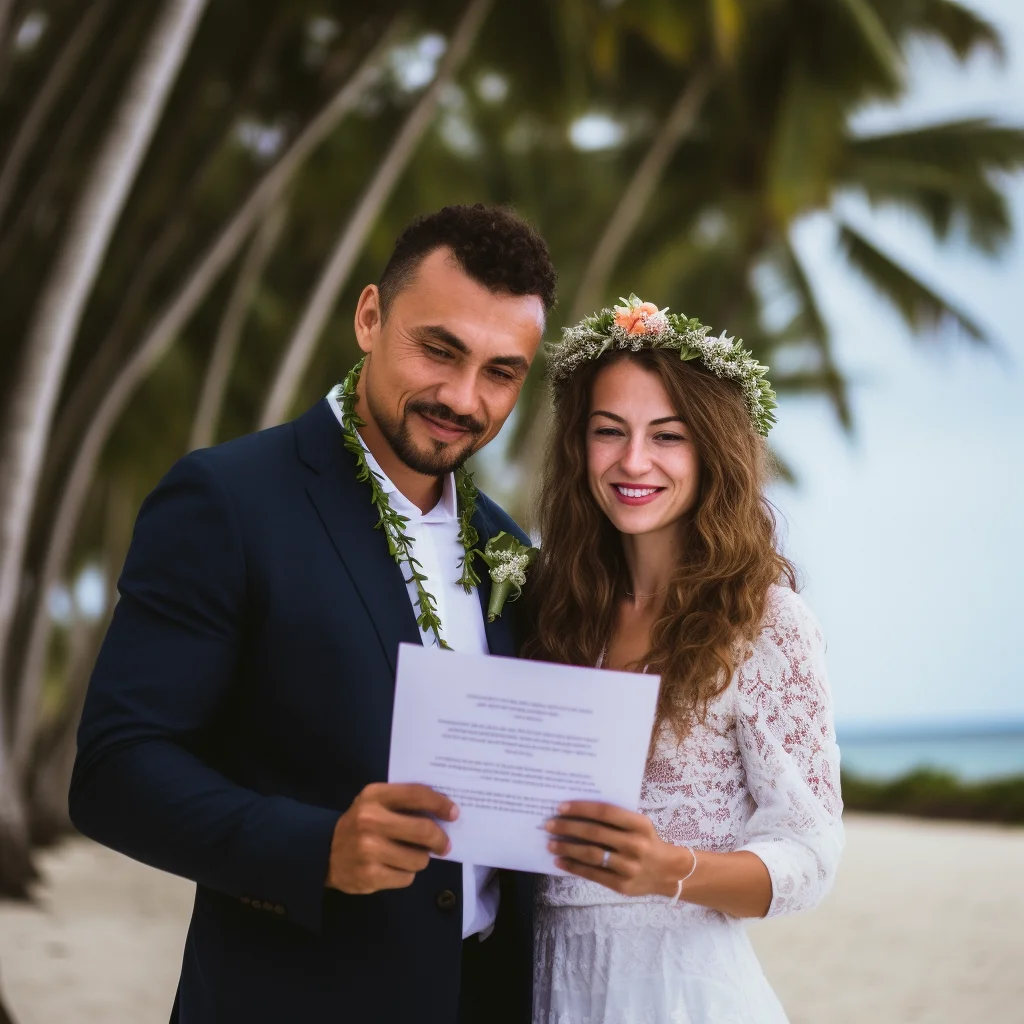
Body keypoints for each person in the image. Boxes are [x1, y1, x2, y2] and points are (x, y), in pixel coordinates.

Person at [69, 204, 557, 1024]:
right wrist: (318, 848)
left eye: (501, 371)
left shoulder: (506, 546)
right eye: (438, 349)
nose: (462, 396)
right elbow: (114, 771)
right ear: (370, 316)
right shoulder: (228, 499)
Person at [524, 296, 845, 1023]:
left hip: (679, 994)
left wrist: (671, 870)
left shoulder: (764, 622)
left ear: (711, 450)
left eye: (667, 436)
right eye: (609, 431)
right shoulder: (548, 611)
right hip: (537, 985)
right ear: (579, 447)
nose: (633, 461)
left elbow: (812, 853)